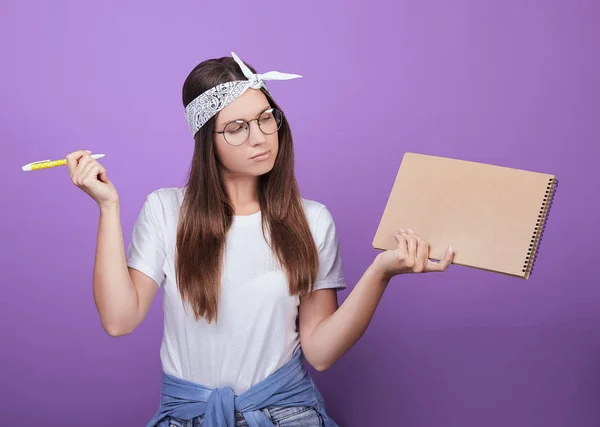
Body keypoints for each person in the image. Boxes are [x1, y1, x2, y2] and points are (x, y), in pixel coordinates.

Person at [66, 52, 454, 427]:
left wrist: (380, 273)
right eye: (237, 128)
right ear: (207, 140)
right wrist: (109, 207)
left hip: (286, 415)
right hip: (187, 417)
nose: (261, 137)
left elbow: (319, 352)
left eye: (267, 118)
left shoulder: (312, 220)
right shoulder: (165, 211)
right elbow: (119, 319)